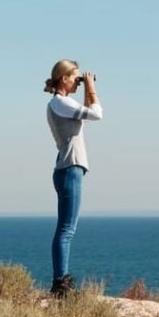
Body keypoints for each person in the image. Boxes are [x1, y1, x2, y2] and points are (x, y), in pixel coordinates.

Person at [44, 59, 103, 297]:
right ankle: (61, 283)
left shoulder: (61, 104)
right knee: (67, 230)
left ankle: (61, 281)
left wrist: (86, 89)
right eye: (75, 78)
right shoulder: (61, 103)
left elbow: (86, 115)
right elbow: (97, 114)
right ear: (64, 78)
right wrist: (91, 87)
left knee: (65, 229)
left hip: (67, 169)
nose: (78, 82)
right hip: (70, 168)